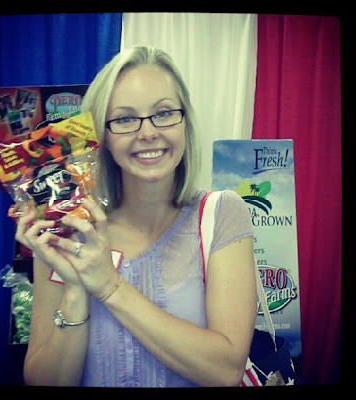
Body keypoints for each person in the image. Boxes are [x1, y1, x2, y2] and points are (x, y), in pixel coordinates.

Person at [16, 45, 257, 387]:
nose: (148, 133)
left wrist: (109, 286)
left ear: (184, 122)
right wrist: (75, 290)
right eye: (125, 119)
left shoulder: (221, 214)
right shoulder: (66, 229)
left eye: (164, 112)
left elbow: (226, 371)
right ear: (101, 136)